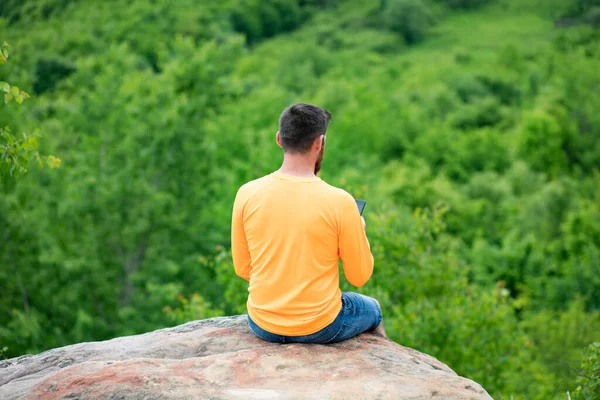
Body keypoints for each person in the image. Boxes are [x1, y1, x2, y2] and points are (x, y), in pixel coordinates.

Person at [231, 102, 386, 344]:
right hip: (321, 326)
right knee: (372, 308)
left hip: (262, 323)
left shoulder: (247, 193)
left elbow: (243, 268)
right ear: (319, 143)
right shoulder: (340, 202)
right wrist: (360, 232)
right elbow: (359, 277)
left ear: (279, 139)